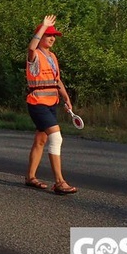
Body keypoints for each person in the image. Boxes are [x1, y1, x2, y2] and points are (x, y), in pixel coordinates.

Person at [25, 15, 78, 195]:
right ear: (41, 36)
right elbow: (31, 46)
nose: (52, 38)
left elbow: (57, 80)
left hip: (51, 103)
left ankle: (30, 177)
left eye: (53, 35)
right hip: (37, 103)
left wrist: (66, 98)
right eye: (49, 35)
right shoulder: (35, 55)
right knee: (56, 138)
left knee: (41, 139)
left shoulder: (52, 56)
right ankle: (59, 182)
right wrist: (42, 27)